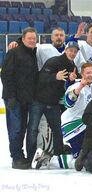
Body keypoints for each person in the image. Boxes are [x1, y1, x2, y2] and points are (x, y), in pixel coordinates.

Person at [28, 41, 80, 168]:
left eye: (75, 51)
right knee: (33, 129)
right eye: (70, 50)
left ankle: (58, 155)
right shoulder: (54, 61)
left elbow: (70, 86)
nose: (72, 53)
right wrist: (54, 76)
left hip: (53, 103)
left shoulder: (73, 67)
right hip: (38, 100)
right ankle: (30, 157)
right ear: (66, 50)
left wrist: (72, 79)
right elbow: (41, 77)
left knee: (58, 131)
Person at [1, 27, 39, 169]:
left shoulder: (32, 53)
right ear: (23, 39)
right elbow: (5, 75)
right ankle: (16, 158)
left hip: (26, 99)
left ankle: (20, 155)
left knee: (22, 128)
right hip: (14, 99)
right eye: (29, 38)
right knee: (15, 129)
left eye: (34, 39)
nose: (32, 41)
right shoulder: (14, 52)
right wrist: (11, 97)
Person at [61, 63, 92, 159]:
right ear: (82, 74)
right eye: (88, 73)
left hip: (83, 125)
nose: (91, 75)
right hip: (72, 126)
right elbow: (68, 103)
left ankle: (67, 152)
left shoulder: (90, 86)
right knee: (80, 160)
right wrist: (80, 86)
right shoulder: (77, 85)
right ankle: (53, 160)